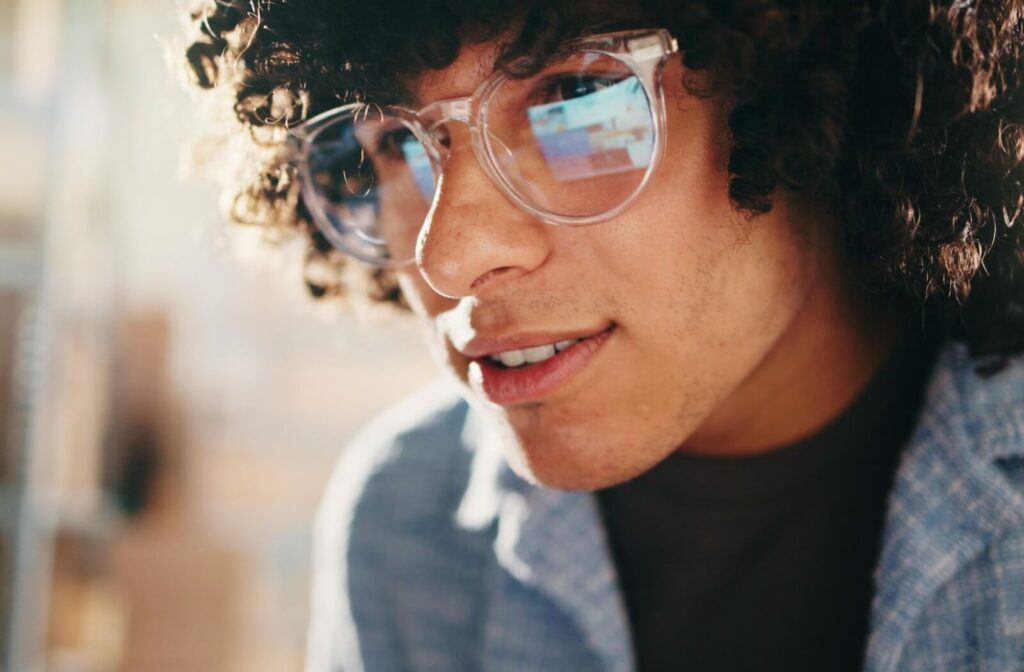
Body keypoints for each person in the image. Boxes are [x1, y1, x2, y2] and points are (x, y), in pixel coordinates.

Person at [181, 1, 1024, 670]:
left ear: (823, 92)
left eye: (580, 98)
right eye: (396, 142)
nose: (449, 254)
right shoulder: (409, 527)